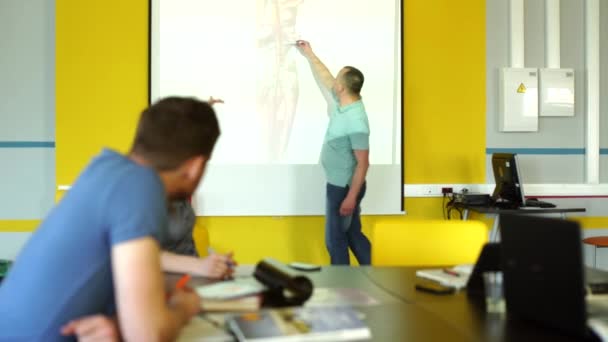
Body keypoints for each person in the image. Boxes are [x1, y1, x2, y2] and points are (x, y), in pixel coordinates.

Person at [0, 97, 219, 341]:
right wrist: (184, 309)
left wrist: (120, 323)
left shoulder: (106, 167)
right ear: (195, 167)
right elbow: (148, 336)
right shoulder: (141, 188)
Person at [296, 40, 372, 265]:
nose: (334, 80)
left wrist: (350, 197)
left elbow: (363, 163)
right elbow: (326, 75)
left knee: (335, 240)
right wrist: (310, 53)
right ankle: (375, 273)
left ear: (342, 87)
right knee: (352, 234)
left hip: (343, 188)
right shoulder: (342, 101)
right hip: (340, 185)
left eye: (338, 79)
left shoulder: (357, 121)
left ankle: (341, 288)